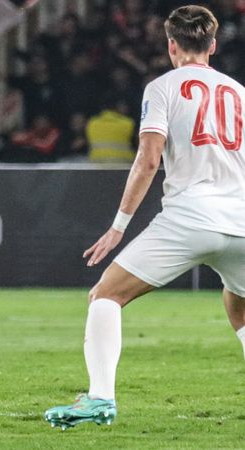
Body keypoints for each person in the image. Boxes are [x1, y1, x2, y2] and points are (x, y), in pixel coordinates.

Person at [45, 5, 245, 429]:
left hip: (192, 216)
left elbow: (148, 158)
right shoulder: (239, 91)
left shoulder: (162, 87)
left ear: (171, 45)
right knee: (240, 307)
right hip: (241, 220)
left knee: (106, 295)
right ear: (212, 45)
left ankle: (99, 399)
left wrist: (118, 226)